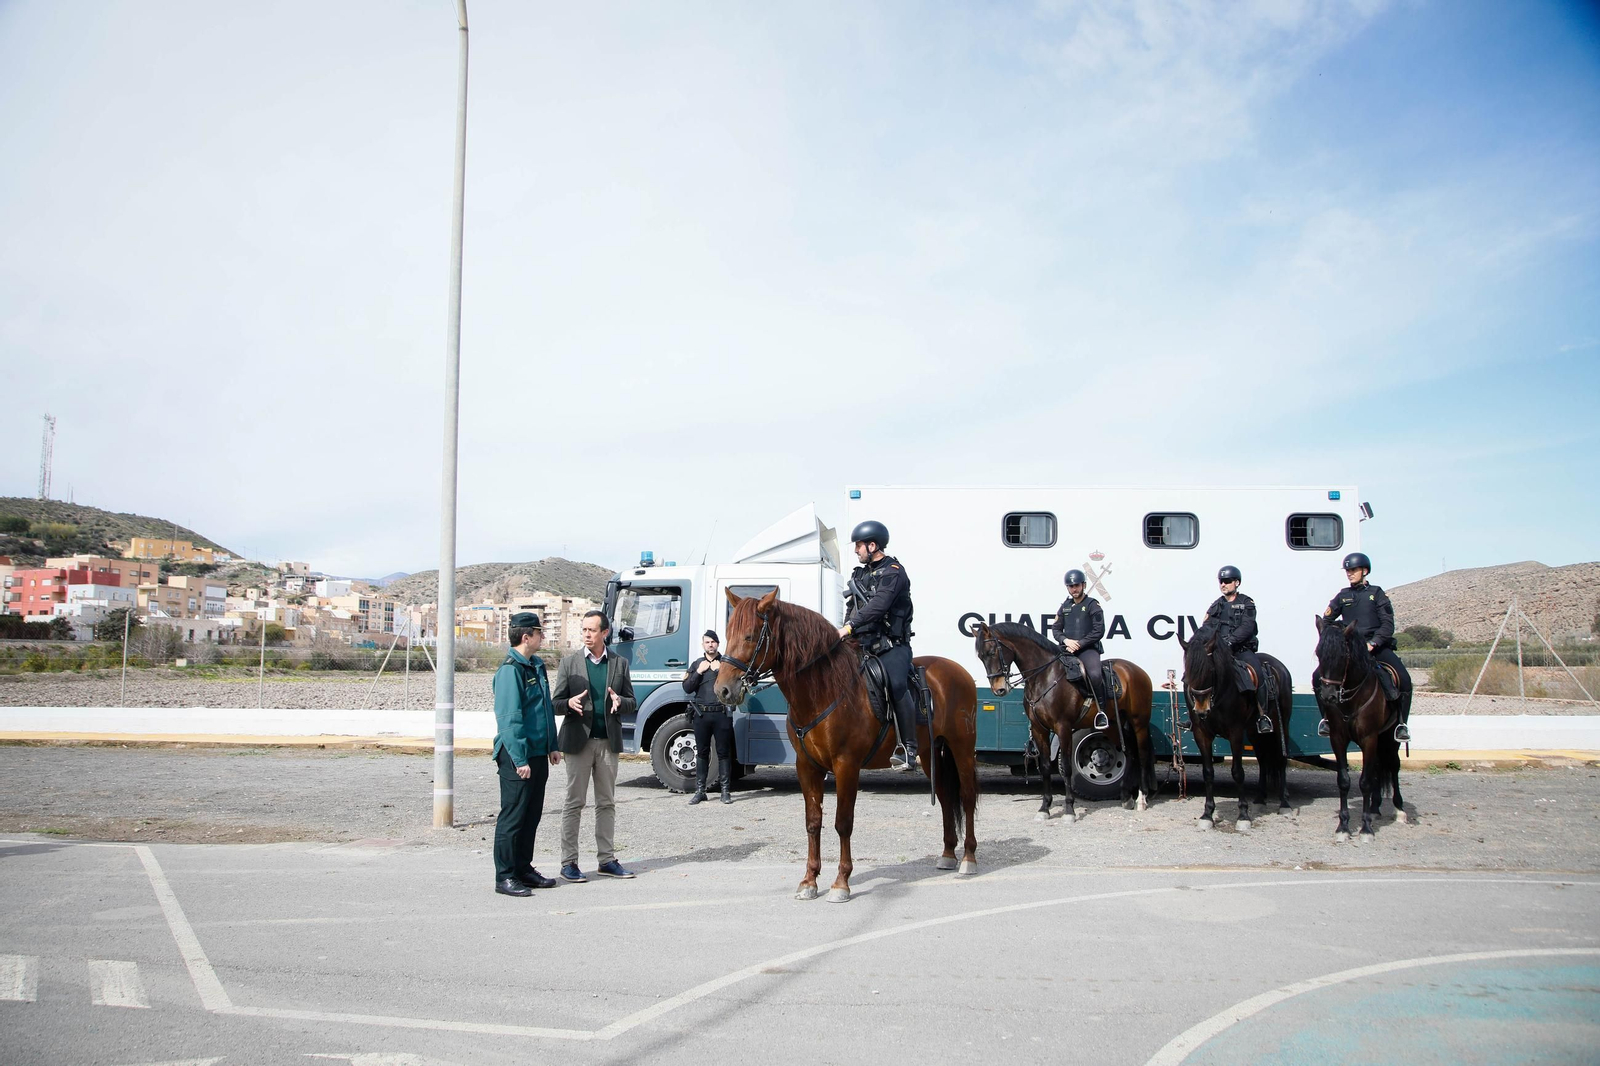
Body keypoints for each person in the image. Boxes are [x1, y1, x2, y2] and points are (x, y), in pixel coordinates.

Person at [551, 610, 638, 881]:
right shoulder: (569, 663)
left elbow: (632, 701)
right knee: (574, 803)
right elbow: (555, 703)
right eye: (584, 630)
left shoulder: (620, 663)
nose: (587, 635)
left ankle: (607, 860)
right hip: (578, 743)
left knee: (606, 803)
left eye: (592, 630)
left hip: (607, 743)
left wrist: (620, 702)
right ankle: (569, 863)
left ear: (605, 632)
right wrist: (569, 704)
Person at [836, 519, 920, 771]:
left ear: (872, 545)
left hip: (892, 646)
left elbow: (878, 606)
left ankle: (909, 749)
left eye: (859, 546)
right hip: (861, 644)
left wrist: (850, 627)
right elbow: (853, 607)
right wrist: (844, 631)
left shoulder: (894, 571)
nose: (856, 551)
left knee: (895, 684)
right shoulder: (858, 574)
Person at [490, 611, 561, 897]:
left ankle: (523, 868)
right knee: (513, 816)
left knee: (531, 815)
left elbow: (545, 709)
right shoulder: (511, 670)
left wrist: (552, 745)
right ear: (526, 636)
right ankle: (505, 876)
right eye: (539, 632)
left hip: (537, 753)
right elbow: (509, 718)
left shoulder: (536, 665)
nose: (542, 637)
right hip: (516, 755)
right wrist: (519, 759)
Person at [1322, 552, 1412, 742]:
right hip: (1351, 650)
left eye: (1353, 570)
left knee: (1403, 678)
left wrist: (1373, 643)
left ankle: (1401, 724)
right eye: (1348, 570)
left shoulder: (1377, 594)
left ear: (1364, 571)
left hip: (1375, 648)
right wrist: (1338, 639)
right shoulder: (1342, 596)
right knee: (1318, 678)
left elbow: (1387, 624)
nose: (1349, 573)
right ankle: (1326, 720)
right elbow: (1327, 620)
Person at [1204, 565, 1274, 734]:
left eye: (1227, 581)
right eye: (1221, 581)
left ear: (1237, 583)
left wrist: (1229, 641)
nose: (1223, 585)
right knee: (1199, 673)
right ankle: (1197, 717)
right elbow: (1206, 626)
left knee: (1258, 672)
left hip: (1241, 650)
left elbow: (1247, 627)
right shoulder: (1216, 605)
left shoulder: (1246, 602)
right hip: (1220, 652)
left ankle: (1263, 716)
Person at [1054, 569, 1111, 730]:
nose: (1074, 589)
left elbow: (1098, 631)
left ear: (1084, 585)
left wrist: (1078, 644)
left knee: (1094, 674)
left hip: (1088, 649)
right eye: (1070, 586)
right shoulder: (1064, 606)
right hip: (1067, 649)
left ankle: (1101, 712)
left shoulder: (1093, 605)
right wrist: (1065, 640)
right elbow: (1056, 630)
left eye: (1077, 585)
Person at [683, 629, 734, 805]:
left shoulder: (725, 663)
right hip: (702, 715)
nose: (710, 645)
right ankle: (700, 791)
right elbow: (687, 688)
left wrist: (720, 671)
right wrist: (698, 672)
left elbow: (735, 684)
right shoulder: (697, 663)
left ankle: (725, 792)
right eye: (707, 642)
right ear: (703, 645)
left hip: (721, 714)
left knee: (723, 753)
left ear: (718, 644)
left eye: (713, 642)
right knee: (702, 753)